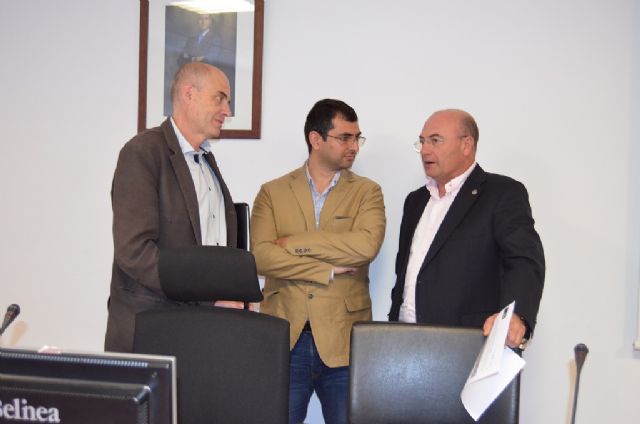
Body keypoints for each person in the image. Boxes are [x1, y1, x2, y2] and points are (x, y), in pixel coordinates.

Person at [251, 99, 386, 424]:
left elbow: (365, 246)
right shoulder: (272, 192)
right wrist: (324, 269)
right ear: (316, 139)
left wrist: (294, 244)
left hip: (344, 340)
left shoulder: (368, 192)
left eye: (357, 138)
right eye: (345, 137)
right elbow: (261, 257)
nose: (354, 146)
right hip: (285, 338)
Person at [104, 62, 241, 353]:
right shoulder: (142, 152)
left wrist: (233, 290)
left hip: (201, 332)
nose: (227, 111)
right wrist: (208, 297)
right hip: (152, 332)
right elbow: (134, 252)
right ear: (189, 94)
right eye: (220, 98)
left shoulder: (206, 161)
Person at [389, 109, 545, 349]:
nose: (425, 150)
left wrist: (516, 316)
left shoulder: (501, 193)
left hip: (469, 344)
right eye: (422, 141)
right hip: (403, 343)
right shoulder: (415, 201)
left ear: (466, 145)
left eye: (435, 140)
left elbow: (523, 261)